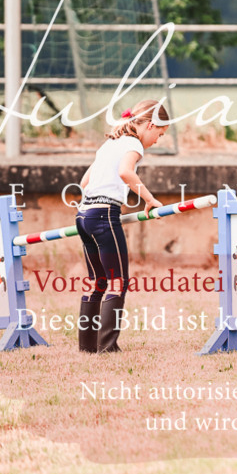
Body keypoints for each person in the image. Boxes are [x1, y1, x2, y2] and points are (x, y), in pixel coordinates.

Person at [76, 99, 169, 353]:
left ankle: (87, 346)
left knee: (97, 281)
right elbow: (126, 172)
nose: (157, 140)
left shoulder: (111, 143)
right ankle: (107, 346)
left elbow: (85, 182)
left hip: (84, 215)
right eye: (159, 134)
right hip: (104, 214)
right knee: (118, 281)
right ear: (150, 125)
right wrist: (150, 201)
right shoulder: (133, 144)